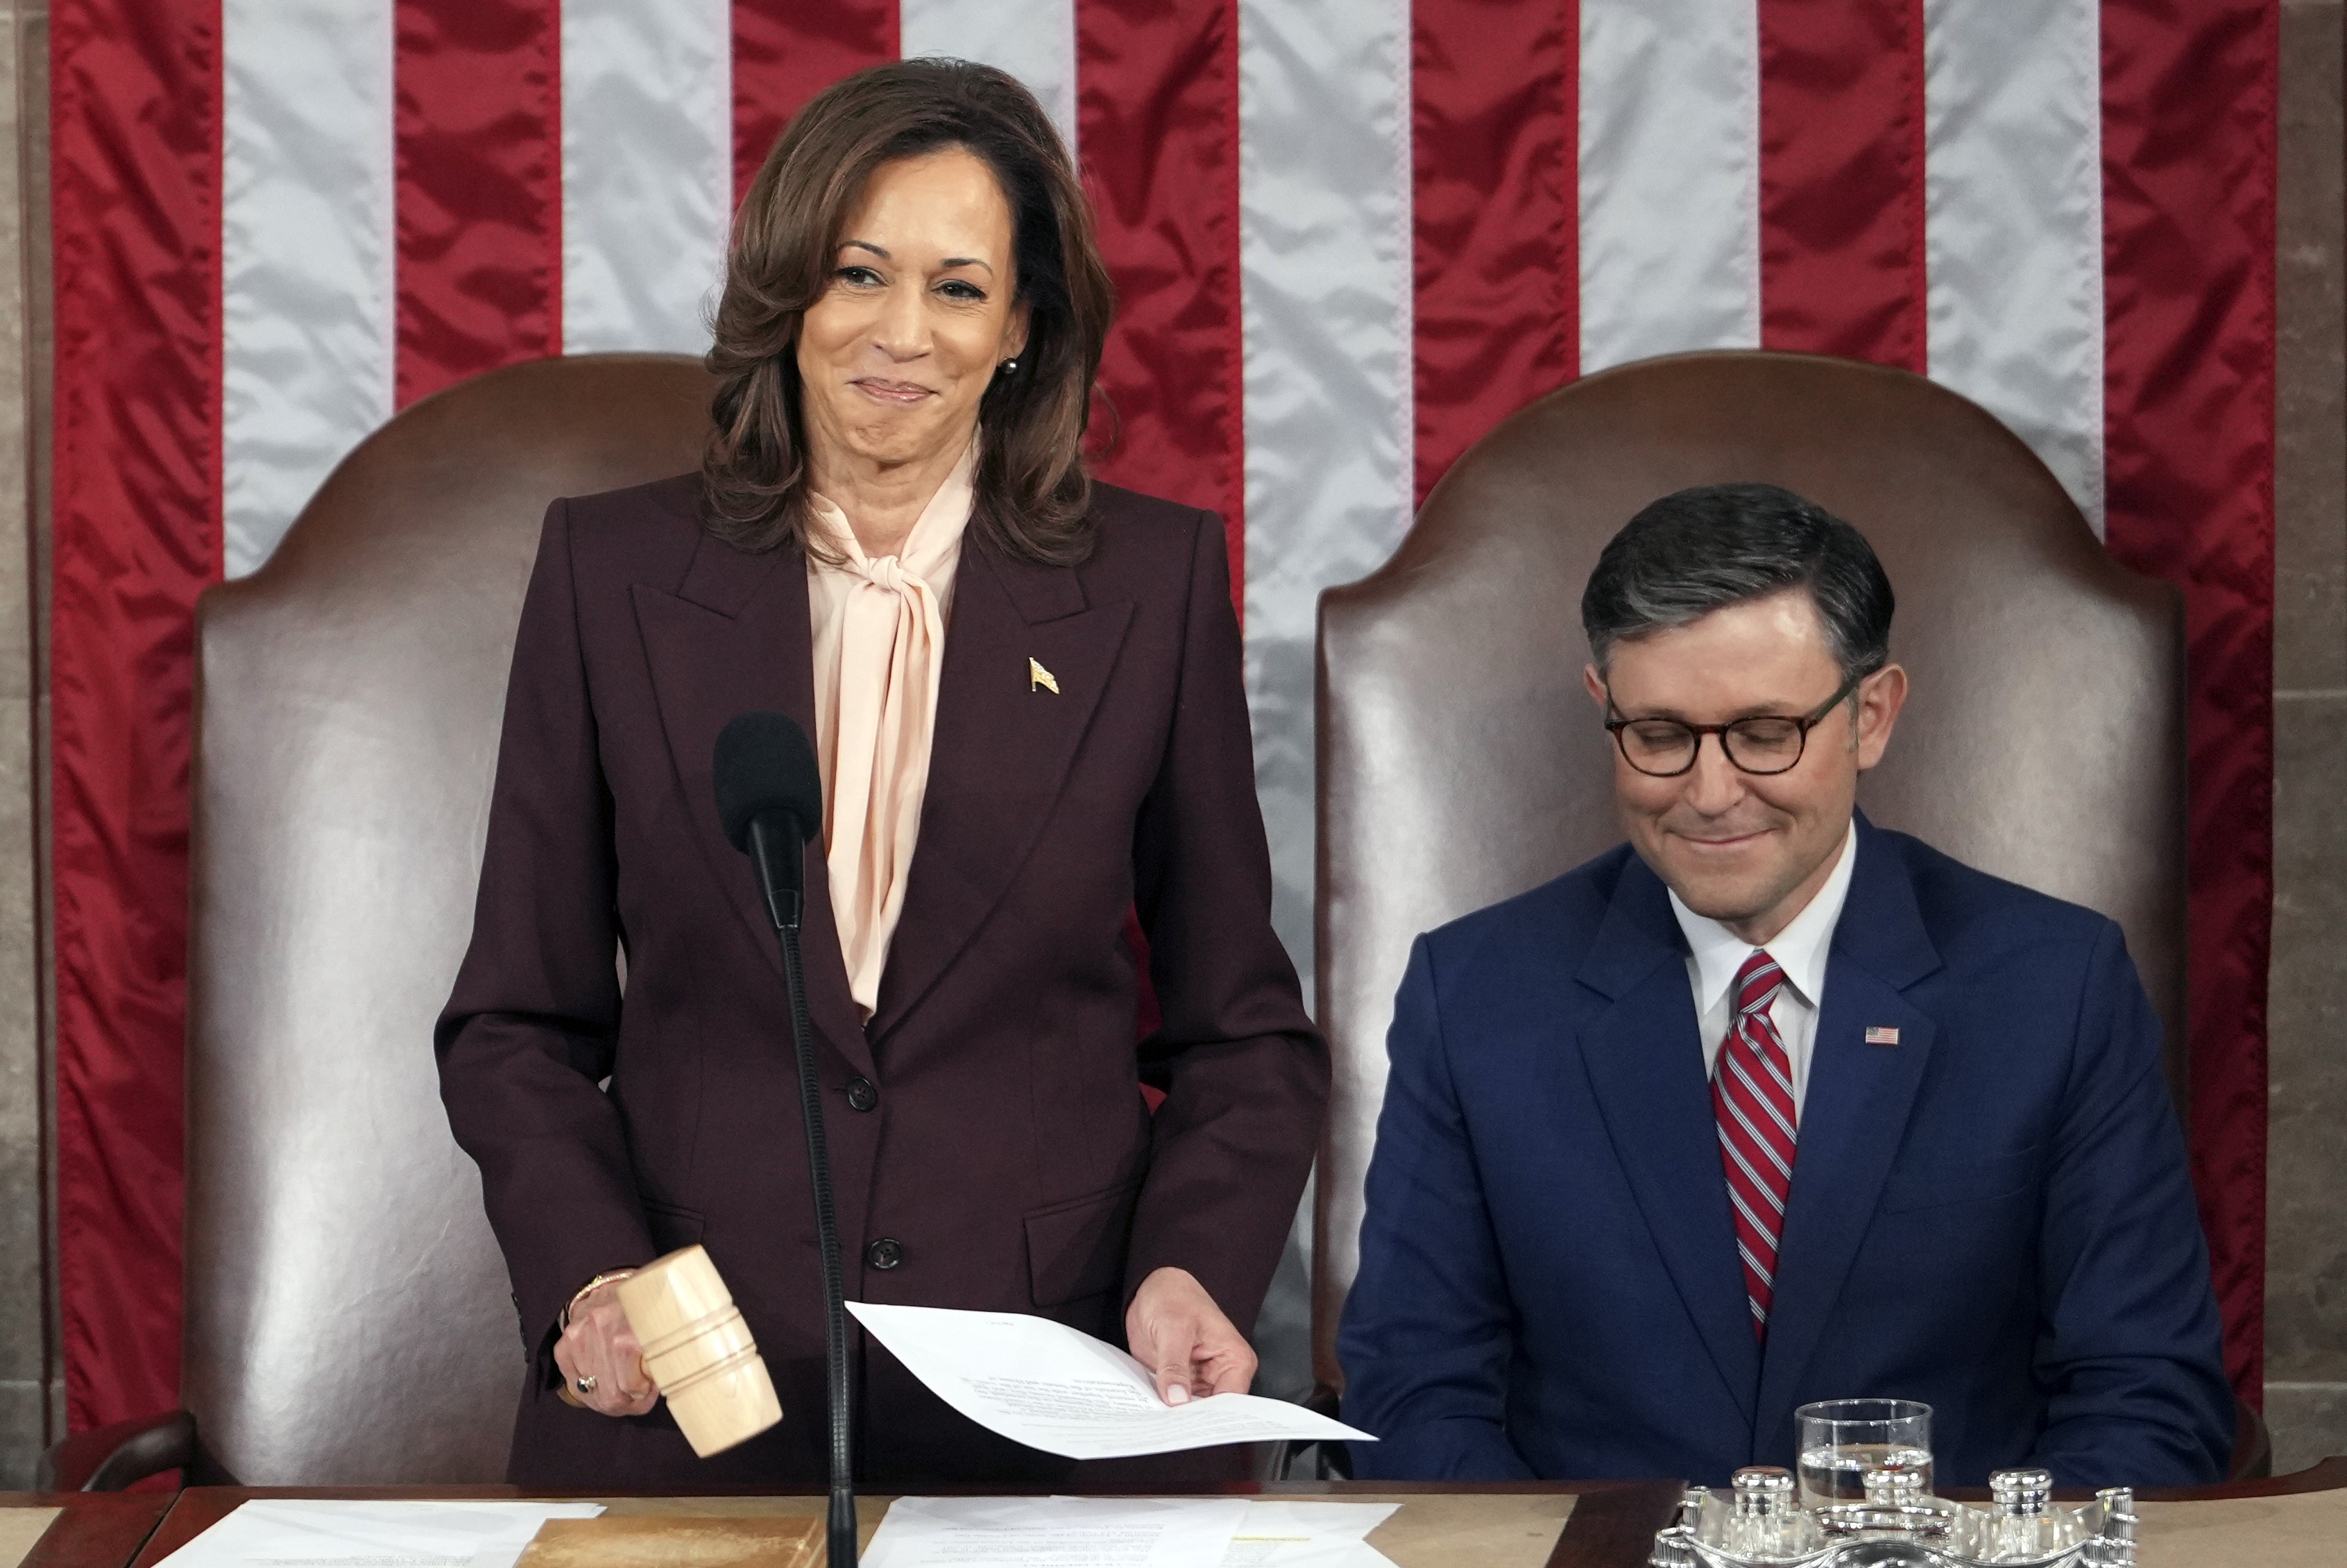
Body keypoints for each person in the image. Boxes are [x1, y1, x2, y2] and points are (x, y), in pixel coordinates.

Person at [435, 59, 1326, 1488]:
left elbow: (1240, 1036)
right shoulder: (610, 573)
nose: (900, 333)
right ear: (791, 292)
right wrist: (594, 1275)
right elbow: (514, 1022)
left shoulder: (1153, 587)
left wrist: (1190, 1264)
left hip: (1058, 1403)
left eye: (960, 287)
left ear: (1024, 326)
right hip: (697, 1403)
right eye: (859, 272)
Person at [1336, 483, 2232, 1488]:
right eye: (1662, 734)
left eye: (1766, 734)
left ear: (1873, 716)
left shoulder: (2055, 987)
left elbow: (2146, 1395)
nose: (1712, 795)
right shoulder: (1478, 996)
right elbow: (1418, 1393)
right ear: (1606, 707)